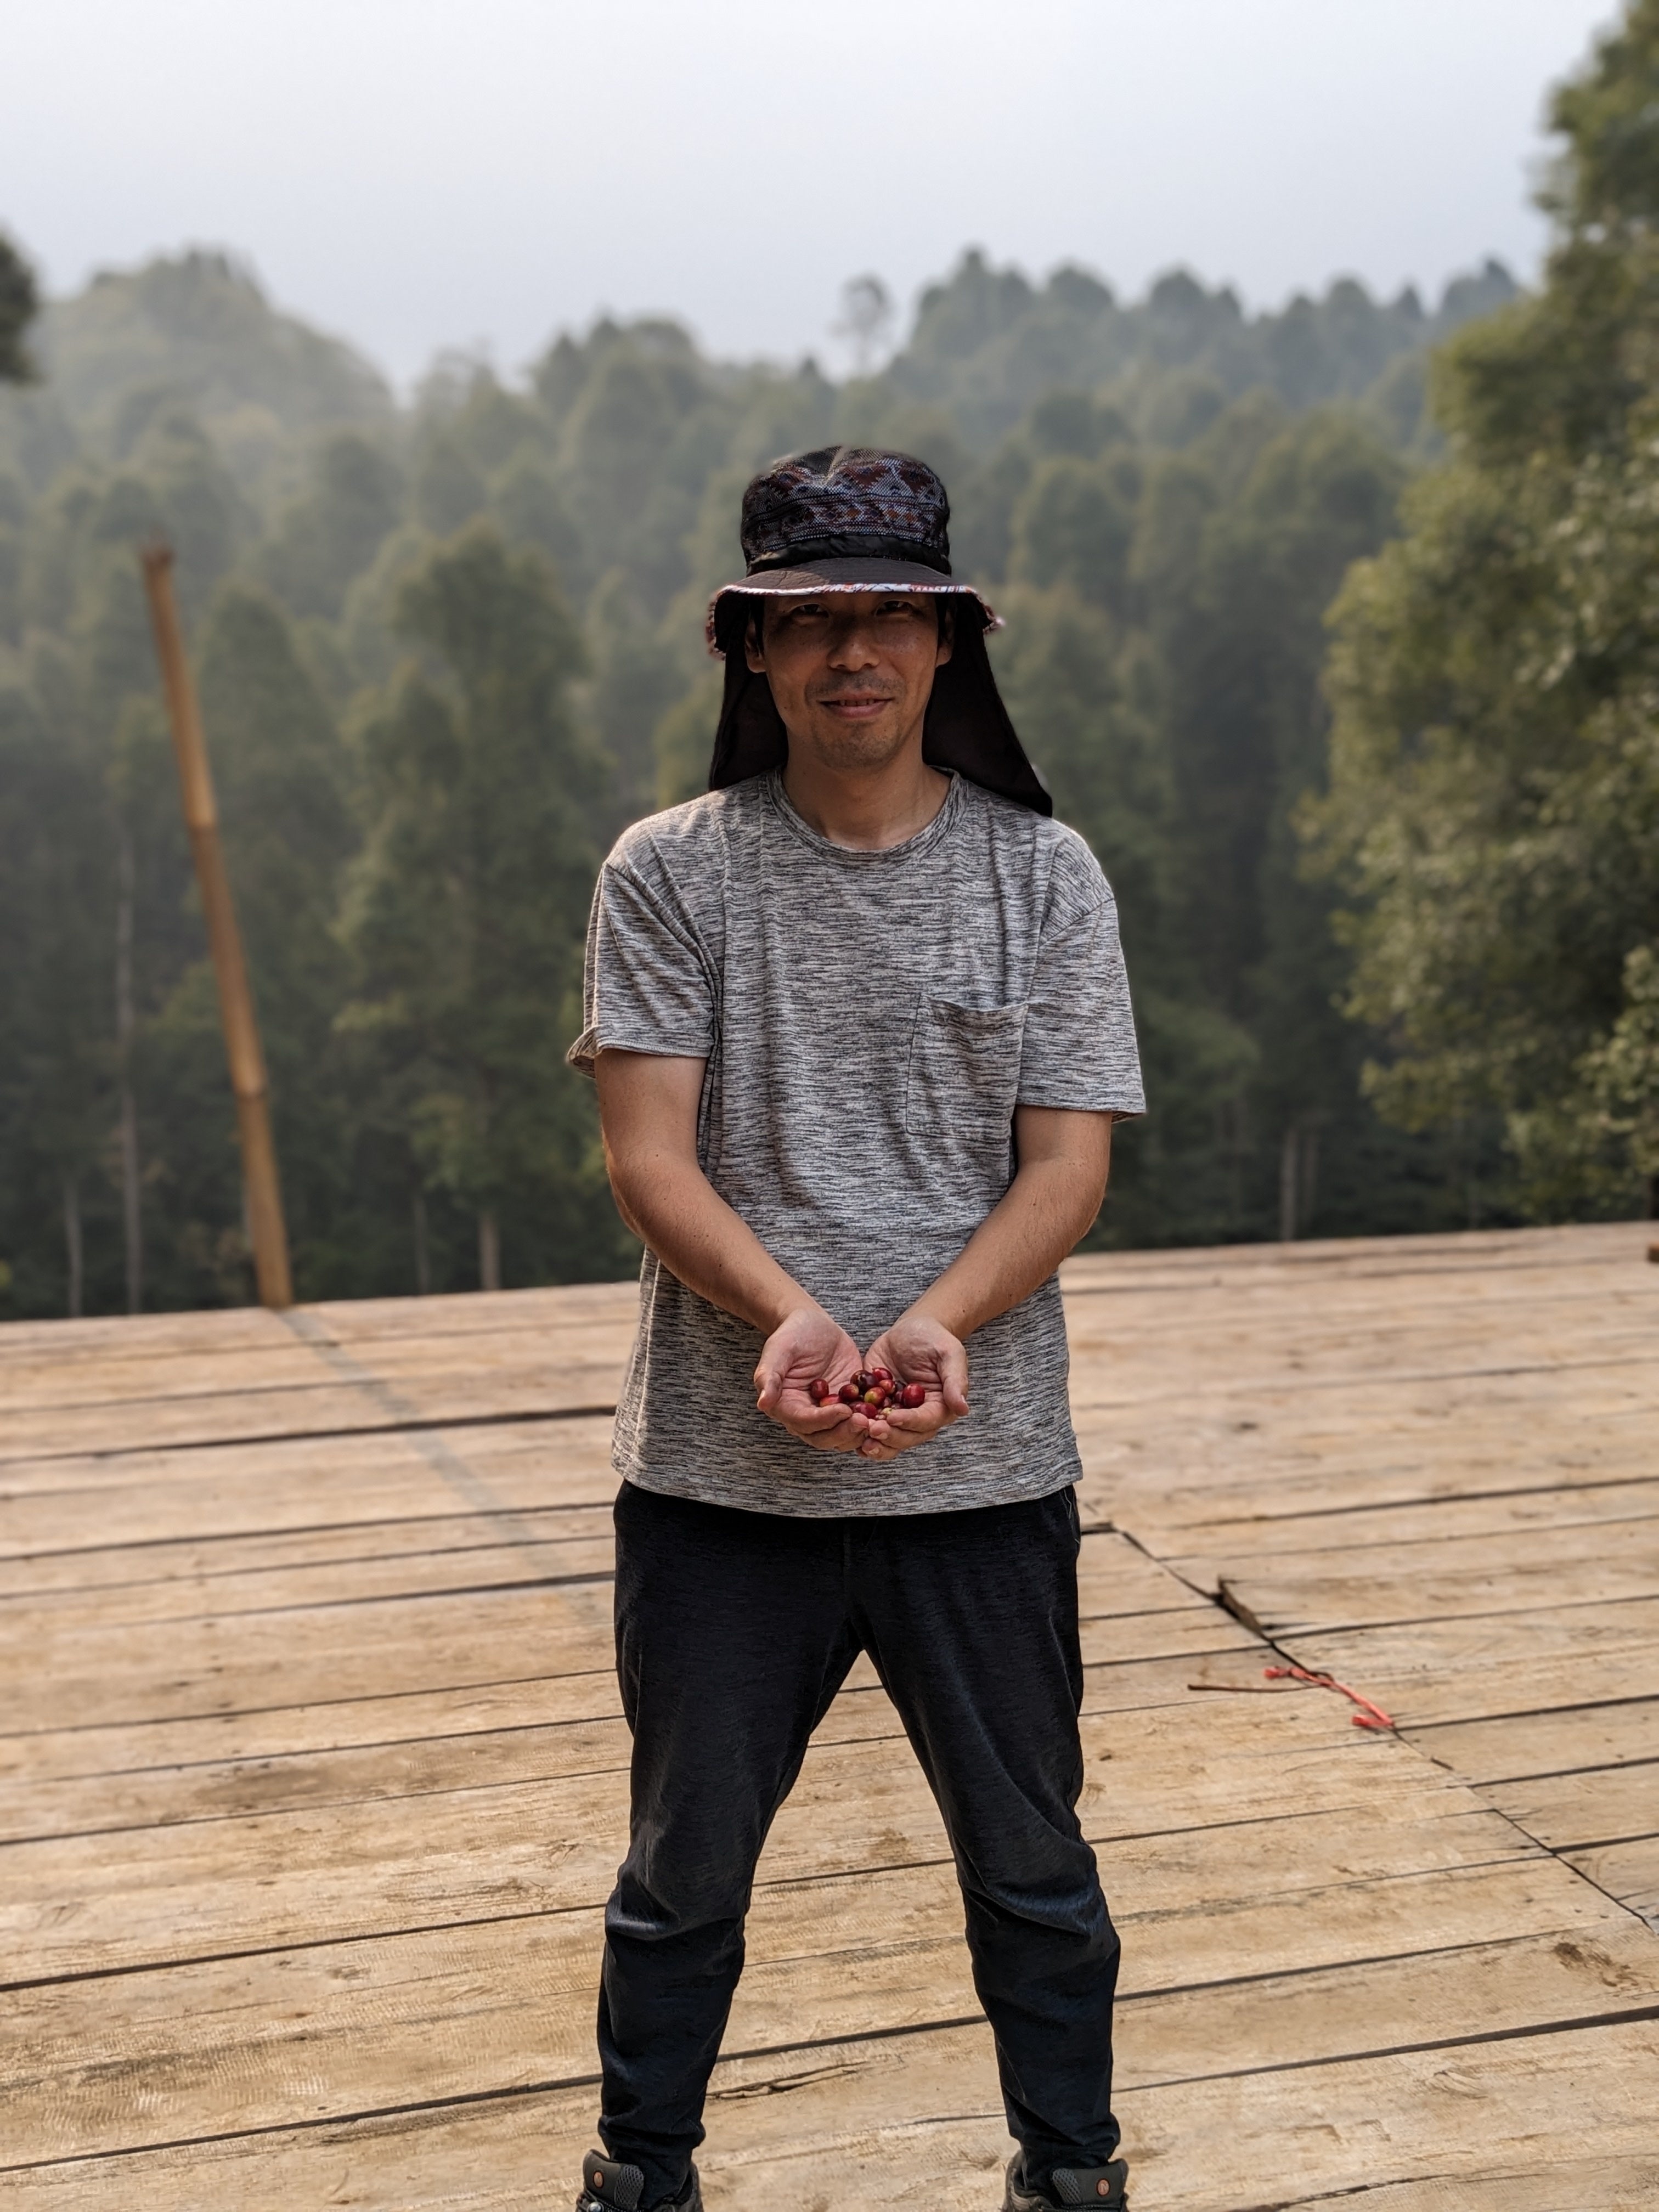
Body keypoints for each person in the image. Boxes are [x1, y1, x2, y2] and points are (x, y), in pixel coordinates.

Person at [567, 445, 1144, 2212]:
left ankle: (1073, 2171)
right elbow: (647, 1156)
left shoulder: (1045, 878)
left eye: (890, 613)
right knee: (682, 1878)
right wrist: (796, 1317)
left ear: (948, 639)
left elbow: (1068, 1169)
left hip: (983, 1478)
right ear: (751, 648)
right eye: (809, 620)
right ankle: (642, 2174)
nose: (853, 652)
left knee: (1035, 1870)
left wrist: (938, 1322)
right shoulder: (669, 873)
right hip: (719, 1486)